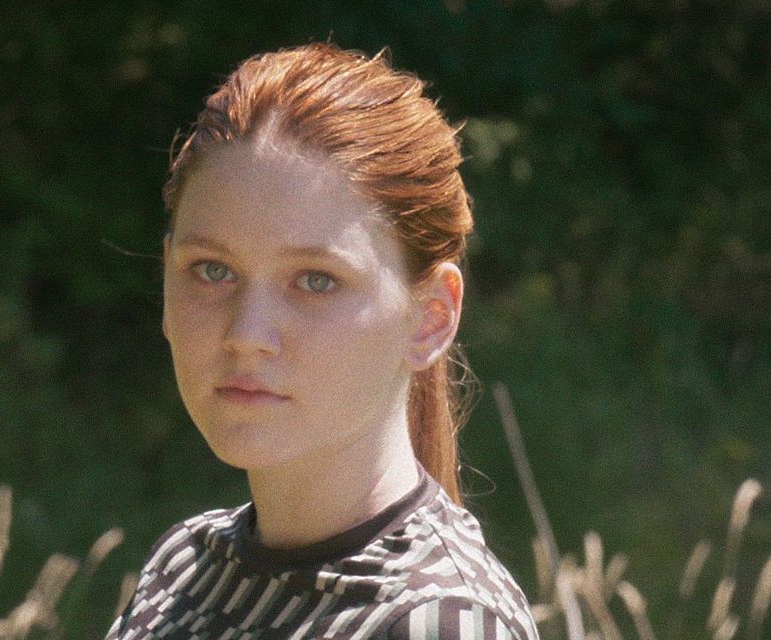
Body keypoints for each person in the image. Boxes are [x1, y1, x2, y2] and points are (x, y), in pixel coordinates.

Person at [104, 43, 537, 639]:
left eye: (315, 280)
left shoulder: (440, 623)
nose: (246, 335)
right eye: (212, 270)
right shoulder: (181, 569)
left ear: (432, 317)